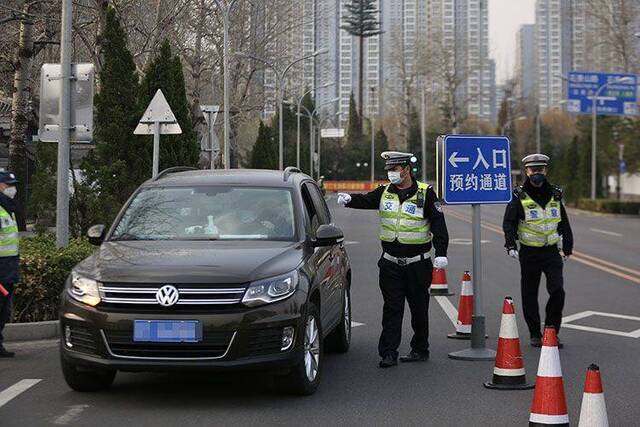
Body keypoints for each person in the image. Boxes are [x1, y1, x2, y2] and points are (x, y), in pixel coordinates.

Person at [337, 152, 449, 368]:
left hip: (418, 263)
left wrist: (441, 252)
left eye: (394, 170)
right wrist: (350, 199)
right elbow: (367, 199)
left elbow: (438, 225)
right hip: (390, 263)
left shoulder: (426, 194)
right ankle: (388, 352)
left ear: (406, 170)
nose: (391, 174)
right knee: (392, 308)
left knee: (419, 308)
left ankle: (420, 348)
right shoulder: (385, 192)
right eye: (389, 170)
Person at [502, 154, 573, 348]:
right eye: (533, 170)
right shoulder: (519, 196)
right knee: (529, 294)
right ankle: (534, 332)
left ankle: (551, 330)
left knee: (557, 290)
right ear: (527, 171)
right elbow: (509, 223)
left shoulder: (556, 194)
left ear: (545, 171)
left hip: (551, 252)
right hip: (529, 252)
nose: (537, 174)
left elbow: (563, 221)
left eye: (540, 170)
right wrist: (510, 245)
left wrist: (568, 246)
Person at [0, 171, 19, 358]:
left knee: (4, 311)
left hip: (8, 268)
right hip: (1, 270)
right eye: (8, 185)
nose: (12, 188)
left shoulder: (8, 209)